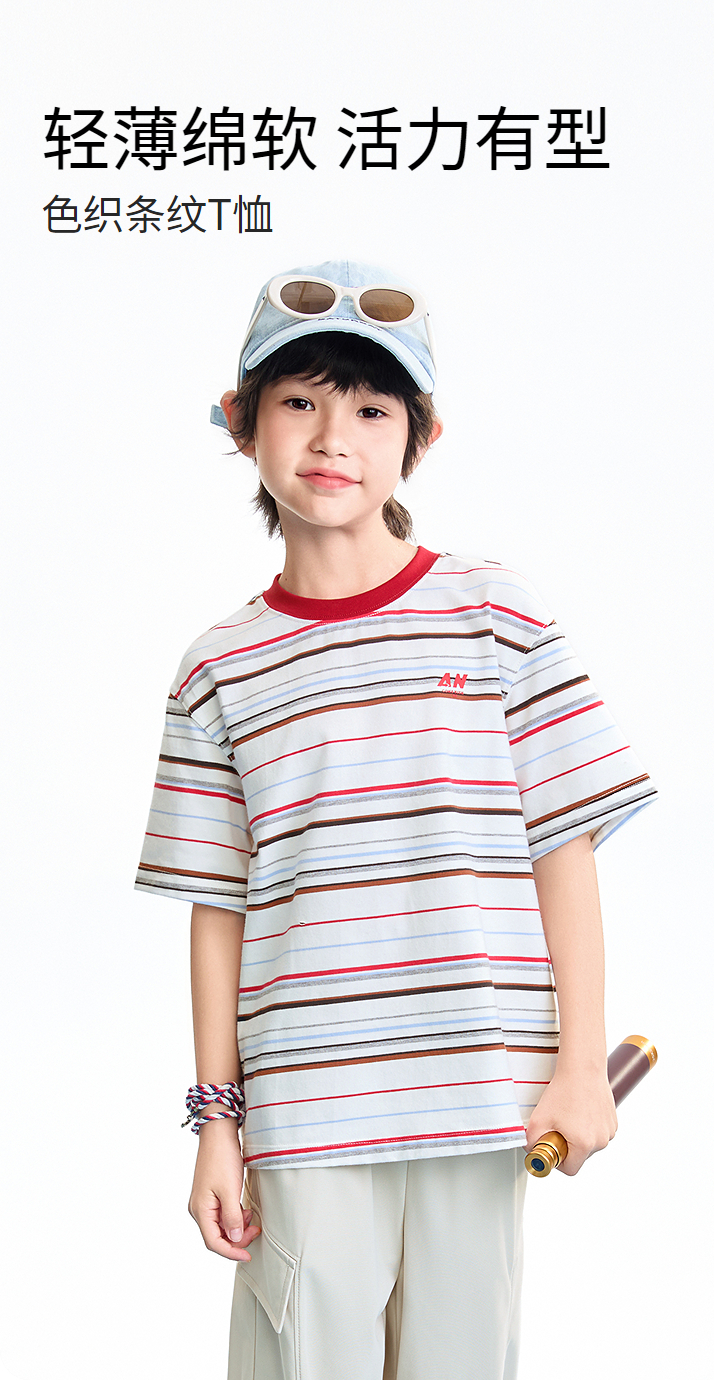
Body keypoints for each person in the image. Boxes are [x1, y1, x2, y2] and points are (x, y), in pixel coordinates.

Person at [135, 261, 656, 1380]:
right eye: (300, 401)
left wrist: (580, 1062)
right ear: (241, 421)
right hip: (303, 1108)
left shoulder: (496, 614)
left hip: (483, 1094)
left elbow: (563, 848)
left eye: (373, 409)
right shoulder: (217, 668)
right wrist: (217, 1122)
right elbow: (218, 908)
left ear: (423, 436)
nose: (334, 437)